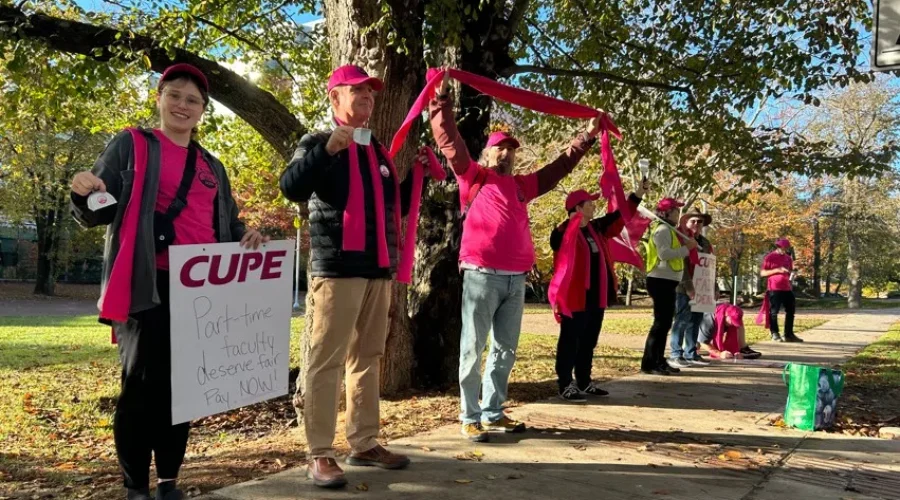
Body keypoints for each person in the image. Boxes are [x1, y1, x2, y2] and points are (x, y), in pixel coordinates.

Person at [69, 64, 267, 500]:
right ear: (159, 98)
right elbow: (99, 207)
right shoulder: (132, 145)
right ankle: (136, 486)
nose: (182, 105)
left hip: (202, 292)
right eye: (174, 95)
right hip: (146, 285)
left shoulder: (212, 165)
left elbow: (226, 223)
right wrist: (83, 190)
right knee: (139, 387)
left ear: (202, 112)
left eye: (192, 100)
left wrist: (246, 235)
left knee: (185, 388)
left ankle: (169, 482)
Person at [429, 73, 602, 442]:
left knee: (505, 350)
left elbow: (559, 169)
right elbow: (449, 140)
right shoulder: (472, 175)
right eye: (500, 148)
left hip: (515, 279)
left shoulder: (523, 186)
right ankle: (469, 415)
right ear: (488, 153)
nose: (506, 153)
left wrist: (586, 137)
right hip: (481, 275)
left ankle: (493, 411)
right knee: (473, 348)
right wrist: (440, 100)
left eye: (511, 148)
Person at [279, 65, 416, 489]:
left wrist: (417, 178)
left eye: (371, 94)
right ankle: (319, 454)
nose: (368, 100)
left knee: (368, 358)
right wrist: (327, 152)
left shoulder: (376, 150)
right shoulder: (317, 142)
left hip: (377, 269)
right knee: (325, 362)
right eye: (357, 92)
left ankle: (364, 443)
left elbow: (391, 207)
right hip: (337, 270)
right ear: (335, 99)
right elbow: (291, 187)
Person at [548, 183, 647, 402]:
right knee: (570, 340)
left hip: (596, 296)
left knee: (588, 340)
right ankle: (565, 383)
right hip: (574, 297)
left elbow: (619, 216)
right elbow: (557, 244)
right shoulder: (562, 231)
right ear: (577, 208)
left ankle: (584, 380)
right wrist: (572, 223)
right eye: (589, 203)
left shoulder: (596, 228)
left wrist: (638, 194)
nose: (594, 206)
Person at [641, 198, 698, 375]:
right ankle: (650, 362)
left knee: (665, 323)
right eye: (674, 210)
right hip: (660, 281)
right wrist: (687, 248)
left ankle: (658, 359)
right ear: (666, 213)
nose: (677, 213)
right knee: (660, 323)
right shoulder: (663, 229)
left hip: (668, 281)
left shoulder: (671, 231)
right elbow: (664, 254)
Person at [668, 208, 714, 369]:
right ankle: (675, 354)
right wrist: (688, 287)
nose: (696, 224)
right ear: (685, 222)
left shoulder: (705, 243)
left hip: (702, 287)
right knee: (682, 320)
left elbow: (710, 265)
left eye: (699, 221)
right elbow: (681, 265)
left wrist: (713, 287)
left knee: (696, 320)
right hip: (683, 287)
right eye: (692, 220)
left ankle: (691, 352)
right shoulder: (681, 239)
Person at [759, 238, 803, 342]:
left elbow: (789, 271)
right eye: (784, 248)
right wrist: (777, 270)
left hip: (787, 288)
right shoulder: (770, 257)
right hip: (774, 288)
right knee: (774, 312)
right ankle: (775, 333)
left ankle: (788, 334)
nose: (785, 250)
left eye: (787, 248)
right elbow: (762, 273)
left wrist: (793, 275)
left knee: (791, 310)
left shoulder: (788, 258)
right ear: (778, 247)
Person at [698, 301, 762, 360]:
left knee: (737, 325)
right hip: (694, 328)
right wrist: (719, 354)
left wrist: (736, 351)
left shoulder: (731, 312)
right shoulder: (708, 321)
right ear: (726, 315)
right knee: (695, 347)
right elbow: (703, 342)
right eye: (732, 321)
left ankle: (743, 348)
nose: (733, 324)